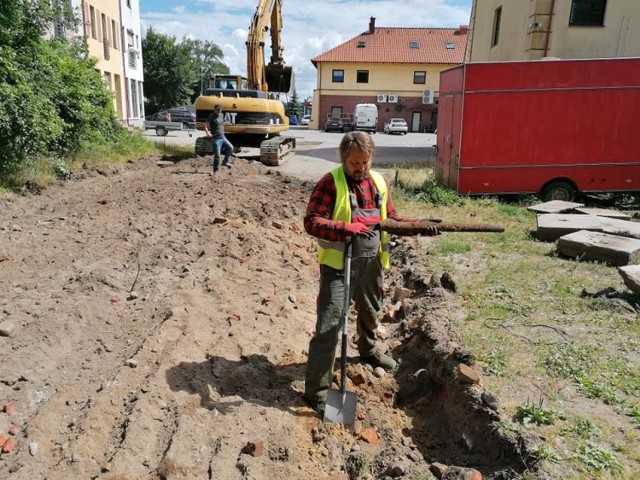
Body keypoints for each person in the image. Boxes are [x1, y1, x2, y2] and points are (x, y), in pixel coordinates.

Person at [302, 131, 439, 415]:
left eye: (365, 162)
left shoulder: (378, 181)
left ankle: (369, 351)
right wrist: (344, 228)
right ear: (343, 159)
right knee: (329, 326)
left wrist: (420, 224)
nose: (360, 168)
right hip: (339, 264)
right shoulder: (331, 182)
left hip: (371, 261)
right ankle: (318, 391)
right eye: (354, 163)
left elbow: (392, 219)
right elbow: (312, 221)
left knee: (370, 310)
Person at [204, 104, 234, 173]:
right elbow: (205, 125)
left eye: (220, 109)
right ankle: (215, 170)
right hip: (216, 139)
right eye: (217, 109)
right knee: (217, 155)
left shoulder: (222, 115)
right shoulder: (211, 116)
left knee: (231, 148)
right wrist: (208, 133)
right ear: (214, 110)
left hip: (223, 137)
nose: (219, 111)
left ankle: (225, 162)